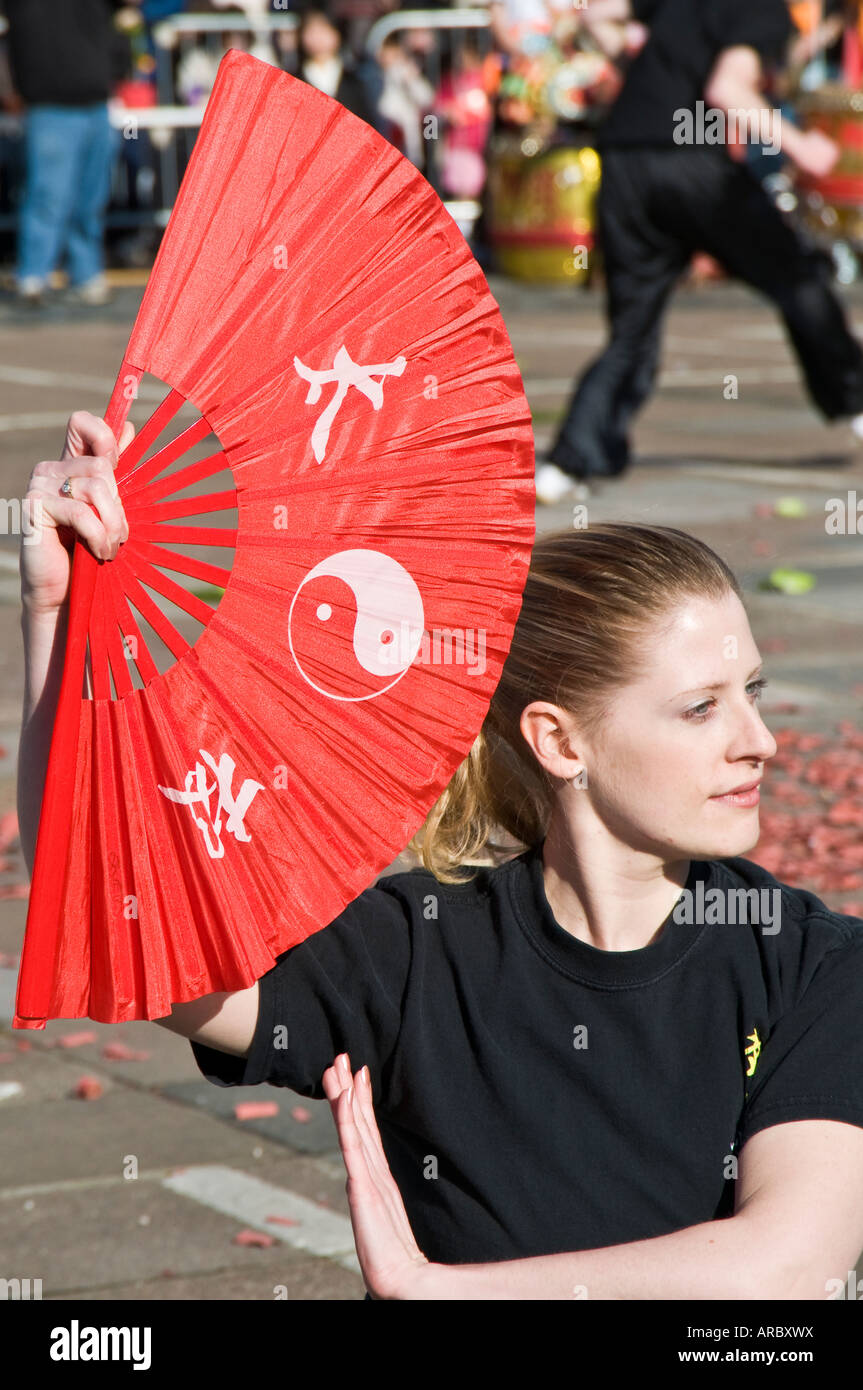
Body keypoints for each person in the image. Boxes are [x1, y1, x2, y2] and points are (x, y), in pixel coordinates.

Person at [18, 410, 863, 1299]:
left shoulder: (810, 966)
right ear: (560, 742)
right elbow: (108, 931)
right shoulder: (416, 949)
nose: (760, 740)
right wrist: (57, 612)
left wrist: (438, 1292)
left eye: (754, 692)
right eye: (702, 707)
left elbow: (786, 1269)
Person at [534, 0, 863, 505]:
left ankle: (567, 463)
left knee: (632, 329)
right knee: (796, 278)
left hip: (624, 161)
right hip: (691, 167)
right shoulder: (760, 12)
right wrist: (801, 146)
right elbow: (727, 90)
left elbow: (597, 12)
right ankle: (853, 399)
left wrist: (633, 52)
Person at [0, 0, 138, 307]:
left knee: (91, 200)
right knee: (48, 197)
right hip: (49, 106)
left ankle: (86, 274)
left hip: (96, 103)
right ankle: (34, 275)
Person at [294, 7, 377, 129]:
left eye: (323, 30)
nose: (317, 37)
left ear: (337, 33)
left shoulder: (354, 81)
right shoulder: (294, 81)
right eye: (311, 31)